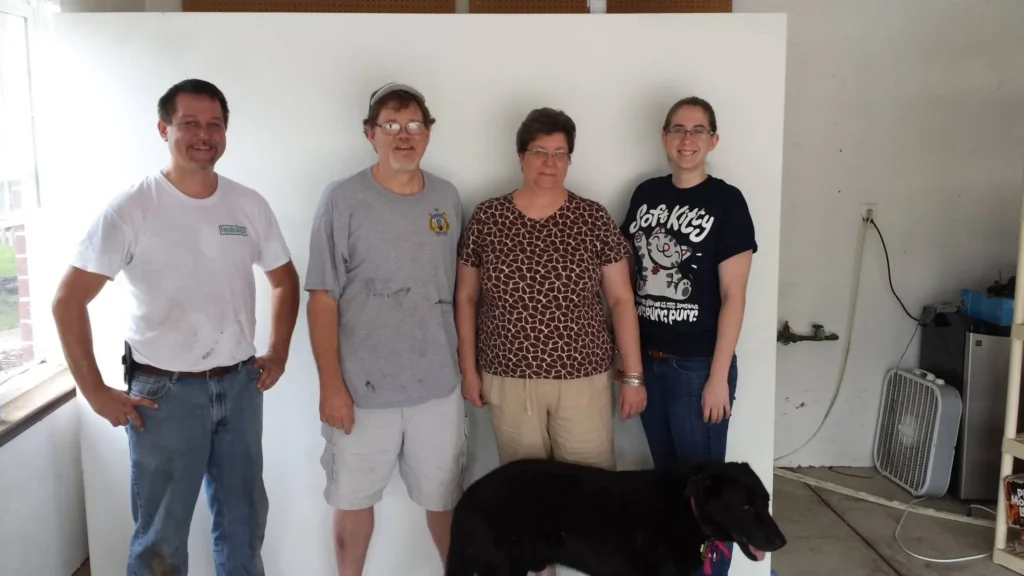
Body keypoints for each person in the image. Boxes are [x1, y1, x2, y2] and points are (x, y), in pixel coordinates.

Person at [51, 78, 301, 575]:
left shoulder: (247, 205)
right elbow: (67, 302)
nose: (203, 134)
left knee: (244, 524)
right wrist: (96, 391)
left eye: (214, 124)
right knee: (160, 539)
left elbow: (285, 280)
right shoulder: (131, 209)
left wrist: (278, 351)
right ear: (165, 129)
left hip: (239, 387)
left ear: (226, 131)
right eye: (190, 123)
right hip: (164, 396)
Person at [305, 82, 467, 576]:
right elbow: (322, 299)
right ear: (369, 133)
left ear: (428, 133)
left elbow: (459, 291)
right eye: (391, 125)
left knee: (444, 502)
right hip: (361, 391)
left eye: (414, 124)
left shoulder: (447, 197)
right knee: (353, 502)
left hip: (437, 387)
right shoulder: (343, 200)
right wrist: (331, 386)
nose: (404, 135)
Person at [456, 107, 646, 477]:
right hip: (508, 376)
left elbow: (621, 300)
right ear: (521, 158)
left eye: (560, 153)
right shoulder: (488, 217)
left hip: (583, 380)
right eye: (539, 152)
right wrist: (468, 370)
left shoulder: (592, 218)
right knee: (525, 491)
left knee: (589, 490)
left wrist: (634, 377)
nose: (549, 162)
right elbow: (466, 297)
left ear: (569, 160)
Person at [619, 96, 757, 574]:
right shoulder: (645, 194)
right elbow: (627, 277)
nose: (687, 138)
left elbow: (734, 297)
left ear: (713, 140)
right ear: (664, 136)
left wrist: (718, 377)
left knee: (708, 494)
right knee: (669, 489)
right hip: (650, 365)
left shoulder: (726, 201)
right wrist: (631, 367)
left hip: (697, 367)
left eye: (698, 130)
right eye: (678, 128)